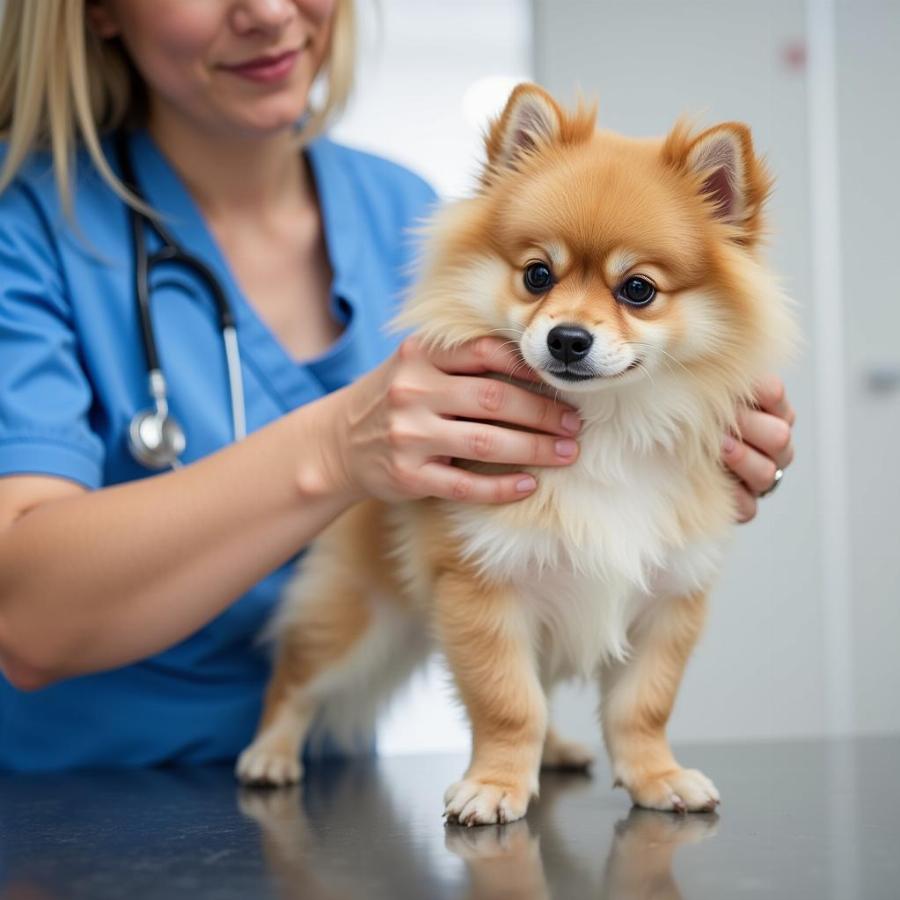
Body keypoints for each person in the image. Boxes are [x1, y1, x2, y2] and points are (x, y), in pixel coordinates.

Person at [0, 0, 796, 772]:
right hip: (63, 801)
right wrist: (338, 448)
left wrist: (699, 442)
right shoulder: (25, 230)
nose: (269, 11)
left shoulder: (399, 209)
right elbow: (24, 622)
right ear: (96, 9)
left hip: (333, 792)